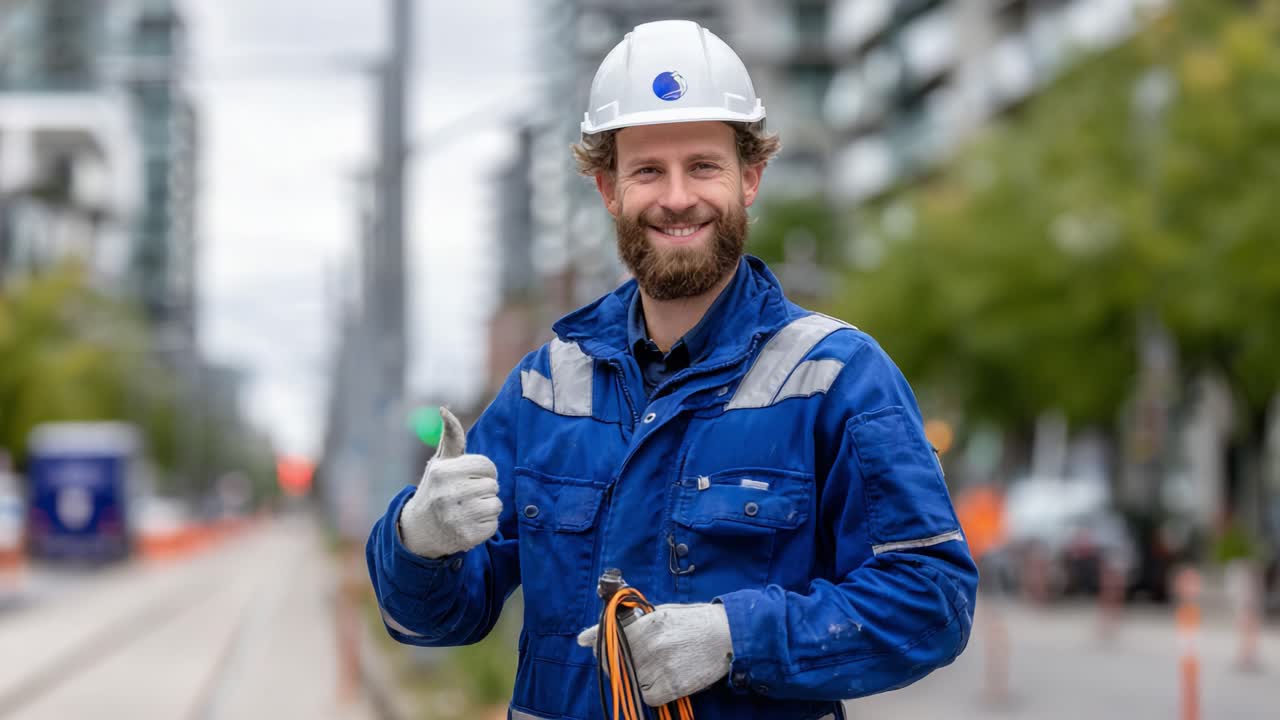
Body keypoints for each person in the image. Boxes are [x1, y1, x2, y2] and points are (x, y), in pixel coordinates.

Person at [366, 19, 977, 720]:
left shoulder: (836, 378)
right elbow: (438, 620)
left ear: (750, 178)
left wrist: (735, 637)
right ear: (608, 189)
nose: (678, 196)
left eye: (704, 166)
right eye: (648, 170)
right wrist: (419, 542)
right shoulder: (544, 391)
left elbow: (933, 599)